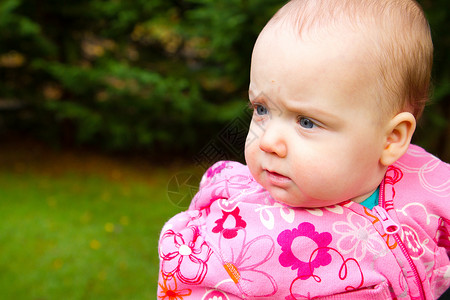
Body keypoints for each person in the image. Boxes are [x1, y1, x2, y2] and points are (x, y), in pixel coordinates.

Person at [157, 0, 450, 299]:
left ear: (391, 139)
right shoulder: (239, 226)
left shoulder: (431, 186)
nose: (269, 141)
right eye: (261, 109)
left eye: (307, 122)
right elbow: (187, 277)